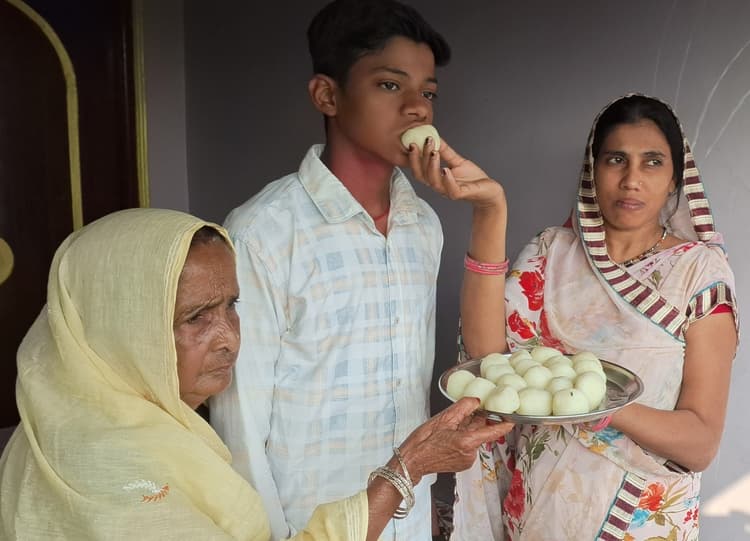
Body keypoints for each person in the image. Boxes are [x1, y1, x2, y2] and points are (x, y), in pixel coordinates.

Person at [0, 208, 513, 540]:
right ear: (120, 324)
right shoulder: (104, 468)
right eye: (195, 318)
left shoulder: (141, 422)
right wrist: (407, 468)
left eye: (232, 305)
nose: (228, 338)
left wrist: (408, 467)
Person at [415, 94, 737, 540]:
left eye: (652, 162)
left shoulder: (698, 273)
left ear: (674, 180)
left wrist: (602, 406)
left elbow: (700, 444)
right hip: (539, 512)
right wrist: (490, 210)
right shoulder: (551, 252)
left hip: (638, 519)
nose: (631, 180)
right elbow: (489, 360)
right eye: (616, 160)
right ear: (593, 169)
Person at [208, 1, 455, 539]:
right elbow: (239, 423)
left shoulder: (423, 225)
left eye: (429, 93)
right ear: (327, 95)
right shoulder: (263, 233)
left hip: (408, 518)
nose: (417, 108)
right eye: (390, 85)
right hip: (307, 523)